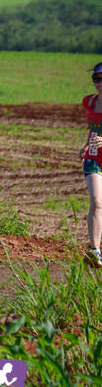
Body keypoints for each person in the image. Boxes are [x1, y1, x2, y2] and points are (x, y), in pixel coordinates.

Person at [80, 62, 102, 269]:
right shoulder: (89, 102)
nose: (100, 83)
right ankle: (95, 250)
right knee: (96, 201)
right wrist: (85, 145)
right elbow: (92, 129)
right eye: (97, 79)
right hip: (94, 158)